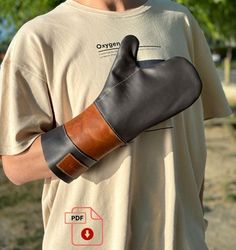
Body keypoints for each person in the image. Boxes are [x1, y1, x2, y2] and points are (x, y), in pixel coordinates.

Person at [0, 0, 232, 249]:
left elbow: (191, 141)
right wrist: (103, 124)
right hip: (86, 240)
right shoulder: (40, 36)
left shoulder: (178, 20)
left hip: (183, 239)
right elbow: (17, 165)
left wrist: (195, 225)